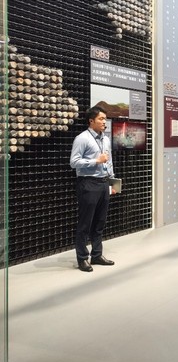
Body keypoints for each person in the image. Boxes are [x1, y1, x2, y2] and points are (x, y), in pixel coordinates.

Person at [70, 106, 116, 272]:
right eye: (101, 119)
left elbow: (109, 161)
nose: (104, 122)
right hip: (88, 184)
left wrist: (112, 182)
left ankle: (97, 255)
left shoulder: (106, 139)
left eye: (105, 119)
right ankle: (82, 258)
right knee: (85, 223)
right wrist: (96, 161)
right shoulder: (82, 138)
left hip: (103, 183)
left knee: (99, 223)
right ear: (91, 121)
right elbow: (74, 162)